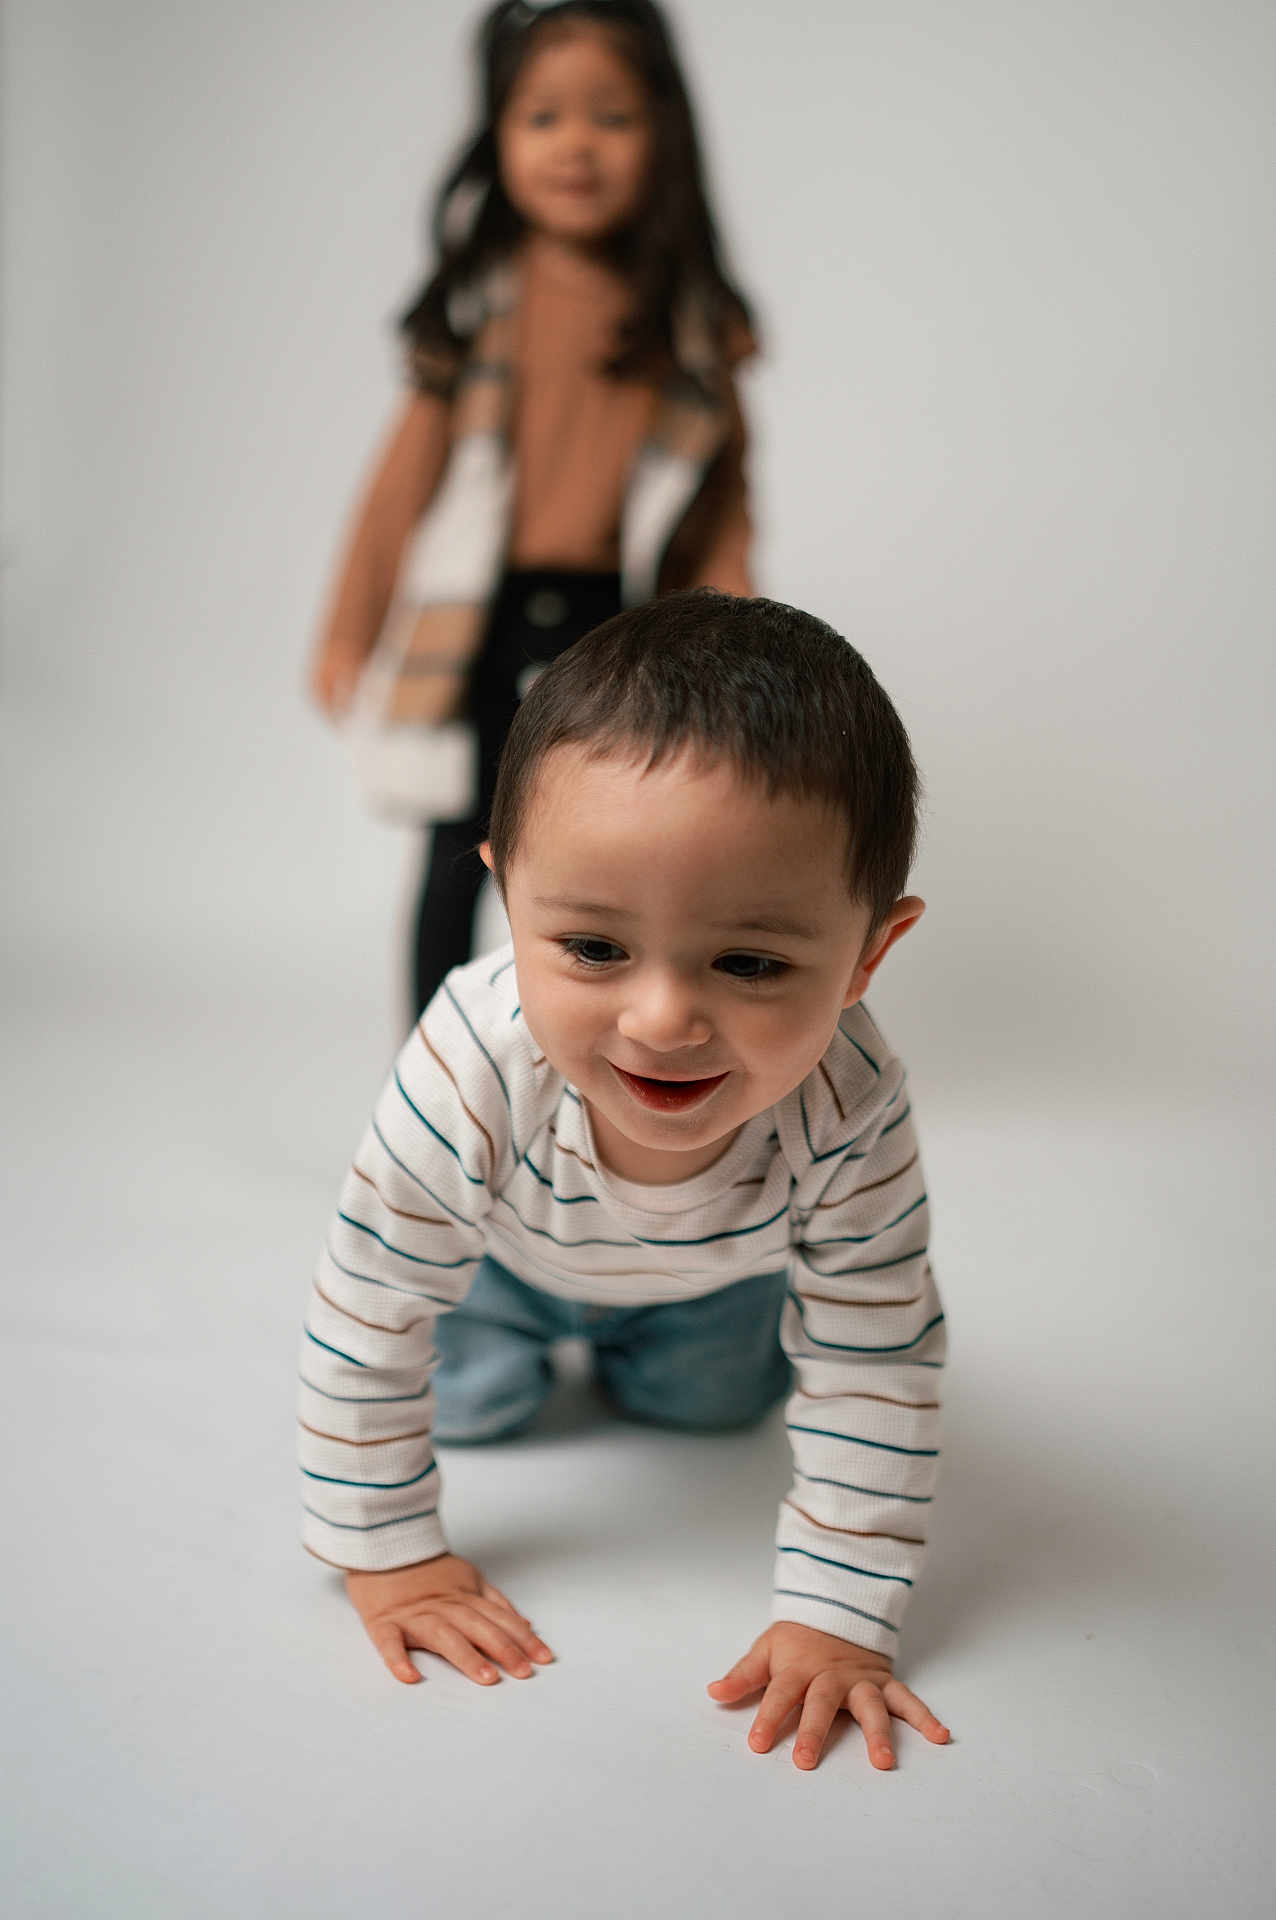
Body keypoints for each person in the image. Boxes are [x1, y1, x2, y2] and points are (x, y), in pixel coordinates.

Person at [299, 590, 952, 1773]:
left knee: (711, 1407)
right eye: (592, 948)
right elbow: (372, 1310)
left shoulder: (850, 1101)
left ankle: (654, 1350)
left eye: (749, 962)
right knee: (472, 1406)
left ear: (868, 954)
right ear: (507, 894)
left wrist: (839, 1617)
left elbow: (877, 1352)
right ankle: (535, 1349)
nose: (659, 1020)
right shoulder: (470, 1063)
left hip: (716, 1280)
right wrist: (386, 1550)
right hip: (498, 1266)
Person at [310, 0, 758, 1016]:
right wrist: (349, 625)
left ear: (664, 132)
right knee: (458, 846)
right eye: (541, 116)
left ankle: (569, 1046)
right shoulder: (481, 306)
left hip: (621, 623)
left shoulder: (689, 324)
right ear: (497, 134)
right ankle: (429, 1068)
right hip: (484, 616)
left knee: (600, 854)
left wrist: (740, 616)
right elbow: (399, 487)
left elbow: (723, 495)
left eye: (611, 116)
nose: (576, 146)